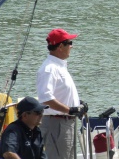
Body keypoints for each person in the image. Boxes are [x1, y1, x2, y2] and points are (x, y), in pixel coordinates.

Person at [36, 28, 88, 159]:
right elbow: (45, 98)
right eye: (69, 42)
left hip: (65, 123)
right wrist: (70, 109)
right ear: (60, 46)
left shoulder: (59, 66)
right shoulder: (50, 69)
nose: (72, 46)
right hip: (57, 124)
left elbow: (60, 93)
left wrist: (77, 104)